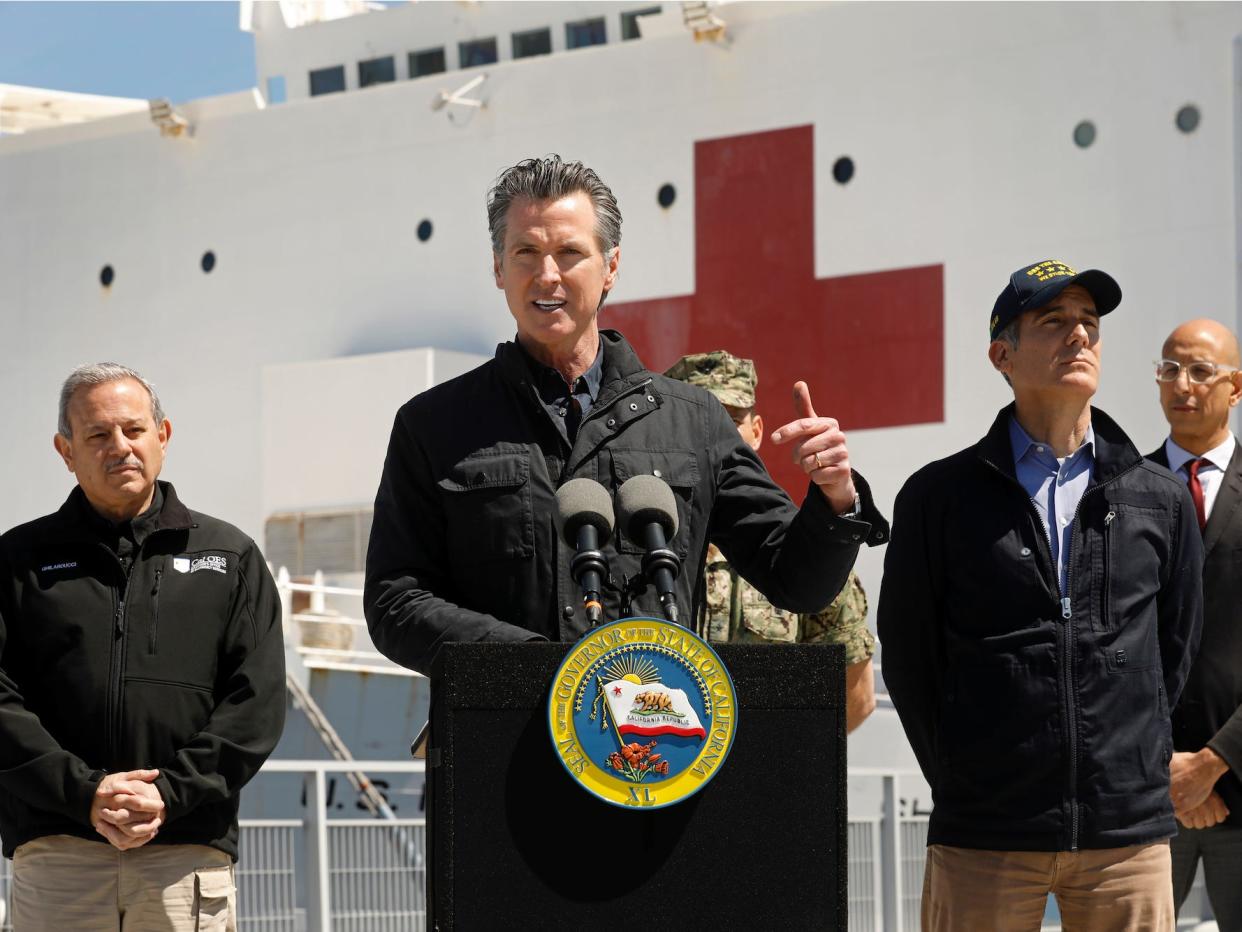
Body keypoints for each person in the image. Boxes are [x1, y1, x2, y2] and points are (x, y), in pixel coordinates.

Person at [364, 155, 888, 676]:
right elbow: (395, 602)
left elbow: (797, 581)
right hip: (501, 747)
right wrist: (531, 667)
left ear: (610, 267)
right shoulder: (433, 426)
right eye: (526, 252)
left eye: (569, 252)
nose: (547, 276)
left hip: (659, 743)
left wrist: (835, 498)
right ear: (499, 268)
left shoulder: (696, 423)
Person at [878, 260, 1203, 931]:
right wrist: (973, 781)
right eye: (1053, 322)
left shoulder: (1160, 499)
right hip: (985, 834)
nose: (1078, 336)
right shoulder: (938, 499)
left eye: (1089, 322)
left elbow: (1174, 651)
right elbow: (911, 661)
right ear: (1002, 353)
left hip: (1126, 838)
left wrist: (1126, 760)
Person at [0, 363, 286, 930]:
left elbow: (255, 705)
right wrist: (85, 794)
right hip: (60, 856)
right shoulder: (17, 561)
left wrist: (171, 795)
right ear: (65, 450)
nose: (120, 448)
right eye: (98, 435)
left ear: (164, 435)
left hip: (185, 857)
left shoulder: (231, 558)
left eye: (133, 430)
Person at [664, 350, 876, 732]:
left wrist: (777, 765)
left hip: (765, 780)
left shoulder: (805, 555)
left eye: (730, 422)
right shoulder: (639, 552)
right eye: (695, 423)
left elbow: (855, 698)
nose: (712, 438)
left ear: (757, 432)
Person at [1147, 319, 1242, 928]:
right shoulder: (1120, 491)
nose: (1183, 384)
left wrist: (1213, 761)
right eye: (1170, 368)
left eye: (1201, 371)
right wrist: (1169, 768)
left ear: (1235, 388)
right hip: (1148, 798)